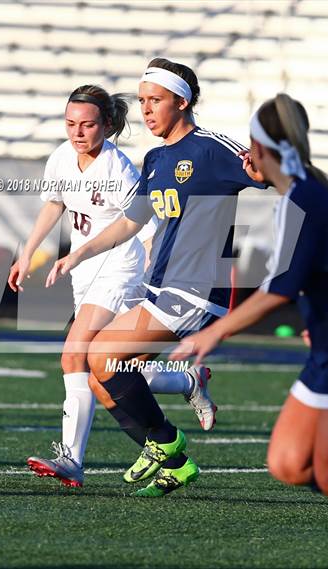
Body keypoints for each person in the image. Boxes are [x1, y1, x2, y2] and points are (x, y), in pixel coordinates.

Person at [47, 58, 264, 497]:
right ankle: (177, 463)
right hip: (159, 286)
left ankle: (164, 441)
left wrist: (265, 168)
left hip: (198, 290)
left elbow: (268, 173)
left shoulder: (211, 148)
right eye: (143, 100)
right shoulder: (157, 157)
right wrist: (79, 253)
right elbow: (132, 220)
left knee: (102, 355)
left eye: (156, 101)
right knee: (102, 379)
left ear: (182, 102)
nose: (146, 110)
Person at [8, 84, 214, 489]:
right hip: (84, 274)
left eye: (87, 125)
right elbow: (54, 204)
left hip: (120, 270)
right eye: (70, 124)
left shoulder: (118, 168)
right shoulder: (62, 158)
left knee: (75, 356)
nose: (77, 133)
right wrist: (26, 253)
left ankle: (71, 460)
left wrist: (158, 274)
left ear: (107, 124)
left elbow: (146, 225)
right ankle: (187, 381)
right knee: (112, 371)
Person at [169, 94, 328, 499]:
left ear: (259, 147)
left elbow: (279, 290)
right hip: (324, 348)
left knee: (326, 473)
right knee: (288, 464)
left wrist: (214, 333)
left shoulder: (305, 198)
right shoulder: (297, 195)